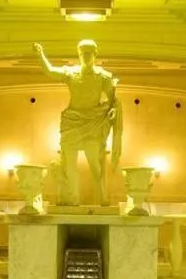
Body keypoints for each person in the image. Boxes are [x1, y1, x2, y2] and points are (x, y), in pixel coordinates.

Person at [33, 39, 122, 206]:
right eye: (83, 53)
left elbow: (113, 101)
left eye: (89, 53)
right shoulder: (70, 73)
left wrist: (113, 110)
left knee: (94, 163)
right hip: (71, 121)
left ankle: (102, 195)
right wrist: (40, 55)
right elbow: (50, 71)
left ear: (95, 55)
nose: (86, 56)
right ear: (79, 55)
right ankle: (72, 198)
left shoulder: (103, 76)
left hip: (92, 122)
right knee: (69, 164)